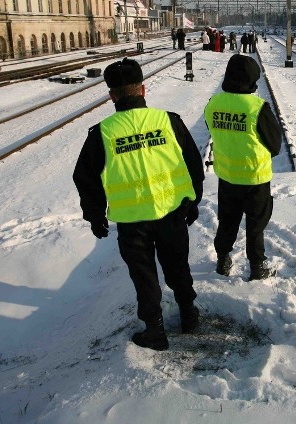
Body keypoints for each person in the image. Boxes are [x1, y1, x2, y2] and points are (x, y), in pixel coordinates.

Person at [72, 58, 204, 351]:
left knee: (144, 278)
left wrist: (95, 216)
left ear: (111, 96)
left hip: (133, 223)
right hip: (171, 213)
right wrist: (193, 200)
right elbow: (194, 163)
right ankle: (189, 315)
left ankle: (155, 333)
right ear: (143, 90)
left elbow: (85, 178)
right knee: (178, 267)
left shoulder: (103, 133)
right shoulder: (169, 121)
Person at [204, 56, 282, 281]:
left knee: (227, 220)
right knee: (256, 225)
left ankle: (222, 259)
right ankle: (257, 266)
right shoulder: (257, 107)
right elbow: (275, 144)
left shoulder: (213, 103)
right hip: (255, 178)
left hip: (227, 176)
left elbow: (213, 130)